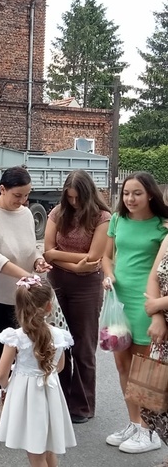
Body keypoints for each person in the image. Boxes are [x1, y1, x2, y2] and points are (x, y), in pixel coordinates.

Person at [0, 167, 51, 423]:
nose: (22, 201)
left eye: (26, 196)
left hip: (20, 300)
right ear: (2, 189)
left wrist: (37, 262)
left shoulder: (26, 214)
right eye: (17, 195)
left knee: (16, 356)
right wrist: (25, 276)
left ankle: (6, 402)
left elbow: (29, 249)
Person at [102, 172, 168, 454]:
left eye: (137, 193)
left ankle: (150, 430)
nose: (130, 198)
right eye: (126, 193)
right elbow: (106, 257)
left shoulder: (162, 226)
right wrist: (107, 276)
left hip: (146, 303)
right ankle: (134, 422)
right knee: (122, 364)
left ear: (151, 194)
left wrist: (158, 311)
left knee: (146, 370)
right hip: (118, 301)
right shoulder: (117, 220)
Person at [43, 170, 110, 424]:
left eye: (78, 198)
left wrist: (60, 256)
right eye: (69, 198)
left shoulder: (102, 217)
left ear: (88, 194)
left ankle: (82, 405)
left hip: (87, 288)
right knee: (58, 344)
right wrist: (76, 264)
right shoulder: (58, 213)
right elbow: (47, 251)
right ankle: (59, 400)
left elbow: (94, 258)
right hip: (58, 283)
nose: (74, 203)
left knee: (83, 346)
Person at [0, 276, 76, 467]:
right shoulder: (59, 335)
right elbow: (61, 366)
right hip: (50, 392)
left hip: (26, 395)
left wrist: (9, 387)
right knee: (47, 449)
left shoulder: (15, 337)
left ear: (19, 306)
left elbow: (0, 373)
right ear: (49, 307)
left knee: (35, 453)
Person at [140, 232, 168, 467]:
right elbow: (153, 277)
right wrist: (157, 316)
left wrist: (160, 303)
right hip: (165, 331)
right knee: (160, 398)